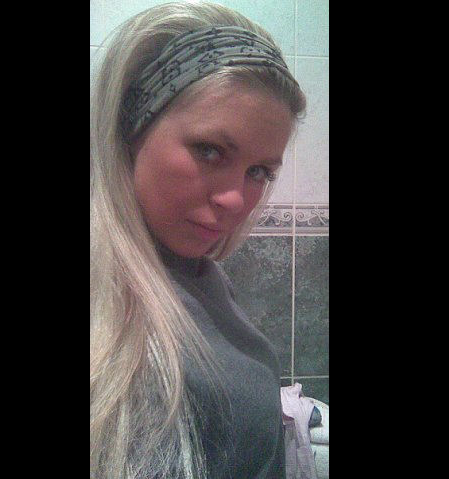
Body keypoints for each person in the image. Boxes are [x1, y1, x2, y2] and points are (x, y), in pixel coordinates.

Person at [90, 2, 306, 478]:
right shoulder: (108, 319)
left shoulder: (194, 272)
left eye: (259, 171)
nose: (236, 199)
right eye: (210, 151)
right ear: (130, 132)